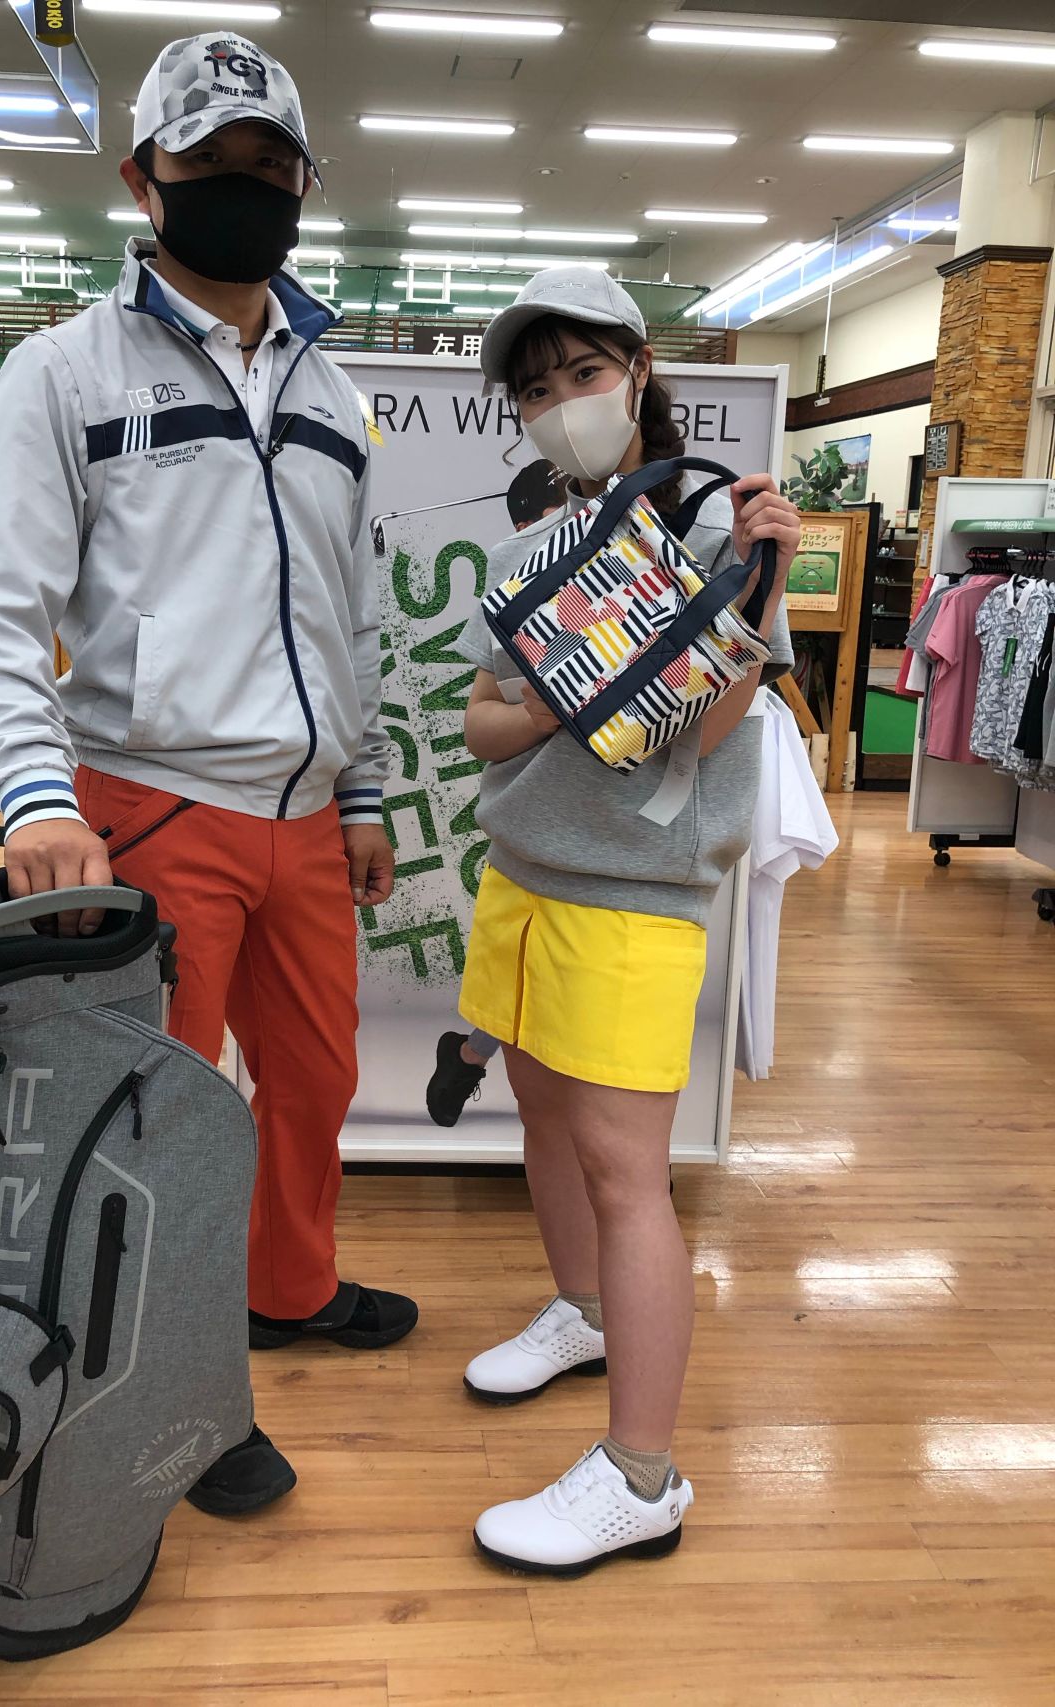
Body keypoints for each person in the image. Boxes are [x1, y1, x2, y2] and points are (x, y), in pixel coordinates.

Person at [0, 31, 418, 1519]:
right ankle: (171, 1398)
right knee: (149, 1131)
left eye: (271, 163)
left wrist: (363, 791)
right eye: (208, 161)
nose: (243, 185)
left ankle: (290, 1286)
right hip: (148, 807)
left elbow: (351, 618)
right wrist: (37, 797)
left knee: (314, 1083)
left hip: (306, 819)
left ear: (304, 182)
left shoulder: (334, 394)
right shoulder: (62, 372)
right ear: (141, 177)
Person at [453, 266, 801, 1576]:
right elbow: (480, 722)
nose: (562, 404)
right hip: (522, 875)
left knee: (624, 1171)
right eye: (536, 389)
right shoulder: (533, 549)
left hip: (632, 896)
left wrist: (758, 583)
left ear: (640, 371)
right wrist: (550, 701)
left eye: (585, 374)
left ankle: (641, 1475)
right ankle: (582, 1312)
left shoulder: (718, 528)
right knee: (541, 1113)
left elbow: (704, 729)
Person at [425, 458, 564, 1128]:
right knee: (515, 985)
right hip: (527, 846)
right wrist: (537, 715)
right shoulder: (516, 567)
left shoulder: (681, 545)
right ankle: (468, 1056)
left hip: (630, 869)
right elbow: (479, 722)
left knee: (531, 995)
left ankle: (467, 1055)